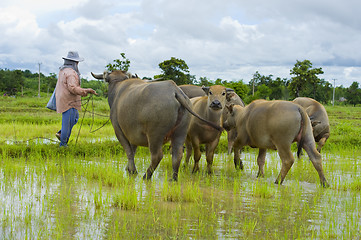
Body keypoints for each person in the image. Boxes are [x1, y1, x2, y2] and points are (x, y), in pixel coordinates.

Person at [55, 51, 96, 147]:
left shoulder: (63, 70)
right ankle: (63, 145)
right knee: (67, 122)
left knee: (75, 118)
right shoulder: (71, 73)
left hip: (65, 99)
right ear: (75, 63)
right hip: (69, 101)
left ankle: (61, 134)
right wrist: (86, 90)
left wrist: (83, 91)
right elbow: (72, 88)